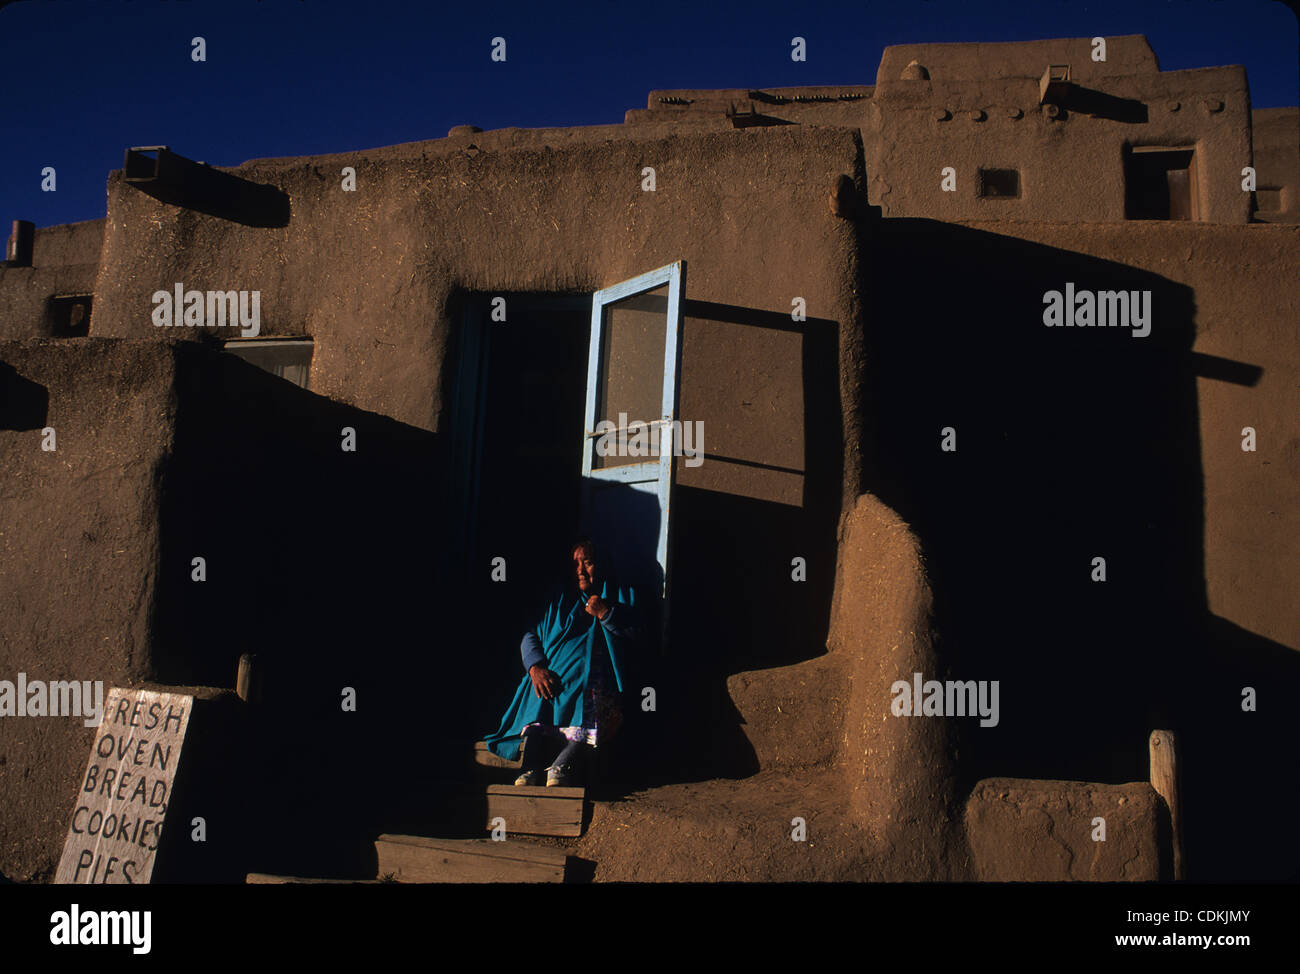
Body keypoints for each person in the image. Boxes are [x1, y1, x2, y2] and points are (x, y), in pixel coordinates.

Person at [482, 538, 639, 787]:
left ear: (601, 565)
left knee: (590, 701)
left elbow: (636, 638)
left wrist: (605, 614)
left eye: (588, 563)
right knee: (537, 699)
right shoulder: (556, 602)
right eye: (575, 564)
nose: (581, 570)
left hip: (591, 681)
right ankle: (531, 766)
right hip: (550, 677)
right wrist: (535, 668)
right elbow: (531, 634)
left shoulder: (618, 597)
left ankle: (563, 764)